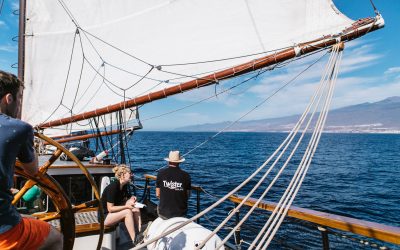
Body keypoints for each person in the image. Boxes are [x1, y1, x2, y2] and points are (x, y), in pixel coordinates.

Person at [0, 70, 63, 249]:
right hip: (4, 231)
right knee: (56, 238)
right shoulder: (19, 129)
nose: (20, 105)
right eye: (20, 98)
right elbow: (33, 171)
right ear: (9, 98)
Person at [101, 164, 141, 243]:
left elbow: (125, 199)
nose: (132, 175)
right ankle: (135, 240)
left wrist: (132, 198)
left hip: (113, 213)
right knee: (127, 212)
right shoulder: (113, 187)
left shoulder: (123, 186)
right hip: (105, 216)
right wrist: (126, 207)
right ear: (123, 175)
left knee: (135, 207)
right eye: (130, 173)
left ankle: (139, 232)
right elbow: (110, 209)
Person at [156, 151, 191, 219]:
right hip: (180, 214)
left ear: (168, 161)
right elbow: (188, 196)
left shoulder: (161, 173)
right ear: (179, 162)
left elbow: (157, 194)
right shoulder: (186, 175)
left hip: (163, 213)